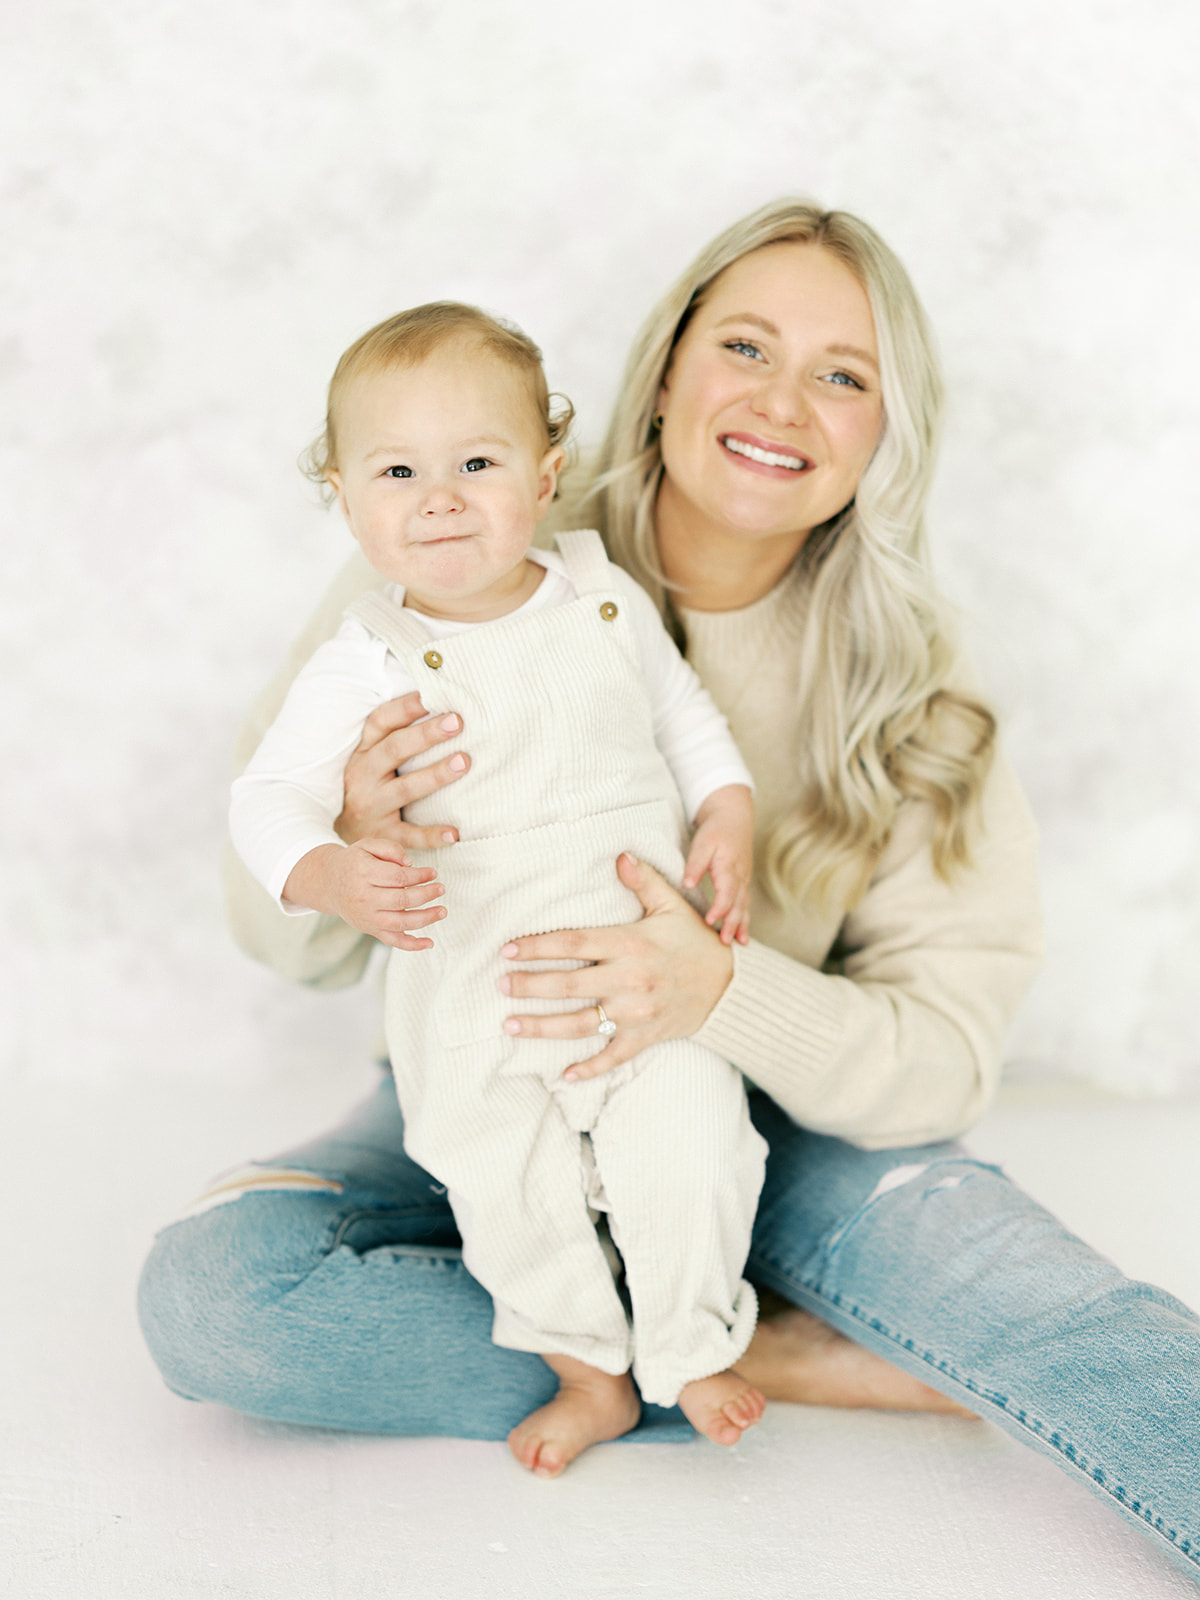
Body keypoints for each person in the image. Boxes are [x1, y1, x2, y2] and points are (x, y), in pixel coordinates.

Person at [139, 200, 1200, 1581]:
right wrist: (354, 843)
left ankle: (698, 1303)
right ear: (668, 367)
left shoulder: (919, 693)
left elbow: (940, 1064)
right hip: (481, 1053)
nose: (780, 401)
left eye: (843, 374)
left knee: (1060, 1320)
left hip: (771, 1120)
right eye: (745, 345)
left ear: (889, 429)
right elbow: (272, 931)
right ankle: (713, 1343)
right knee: (218, 1301)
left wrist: (722, 990)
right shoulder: (449, 541)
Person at [227, 300, 768, 1471]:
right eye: (397, 470)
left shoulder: (604, 596)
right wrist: (335, 869)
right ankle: (589, 1366)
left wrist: (726, 804)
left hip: (644, 964)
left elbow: (684, 718)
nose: (441, 496)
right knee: (504, 1178)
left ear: (546, 471)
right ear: (342, 492)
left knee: (694, 1143)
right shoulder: (366, 653)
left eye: (478, 462)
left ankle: (690, 1342)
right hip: (478, 986)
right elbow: (264, 799)